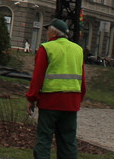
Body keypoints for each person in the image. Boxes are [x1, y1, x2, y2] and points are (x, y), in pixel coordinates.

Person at [26, 18, 86, 159]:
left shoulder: (46, 48)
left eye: (48, 30)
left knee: (44, 139)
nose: (46, 33)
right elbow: (82, 80)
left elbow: (38, 77)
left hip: (50, 102)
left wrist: (31, 98)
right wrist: (78, 99)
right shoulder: (78, 50)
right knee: (68, 142)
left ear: (53, 33)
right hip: (71, 103)